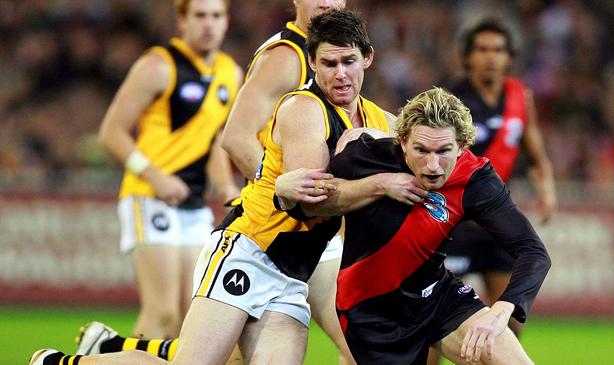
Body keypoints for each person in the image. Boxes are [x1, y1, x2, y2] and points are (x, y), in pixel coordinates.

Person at [29, 9, 423, 365]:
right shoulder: (303, 105)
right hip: (252, 249)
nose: (340, 74)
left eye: (348, 62)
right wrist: (279, 188)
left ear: (367, 59)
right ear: (313, 64)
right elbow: (309, 198)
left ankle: (111, 345)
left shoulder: (380, 121)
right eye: (329, 63)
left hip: (293, 273)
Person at [275, 87, 551, 364]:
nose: (432, 166)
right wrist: (284, 191)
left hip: (438, 297)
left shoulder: (476, 180)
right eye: (421, 150)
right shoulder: (365, 157)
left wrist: (500, 311)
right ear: (403, 142)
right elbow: (310, 205)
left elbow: (533, 251)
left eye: (444, 151)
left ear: (463, 146)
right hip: (373, 314)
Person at [96, 0, 240, 341]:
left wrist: (226, 189)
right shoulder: (158, 66)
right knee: (162, 313)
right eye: (200, 16)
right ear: (182, 21)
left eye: (216, 16)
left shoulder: (230, 73)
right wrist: (155, 177)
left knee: (192, 315)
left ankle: (104, 353)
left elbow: (215, 140)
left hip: (192, 203)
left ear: (226, 22)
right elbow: (111, 132)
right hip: (148, 197)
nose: (209, 24)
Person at [219, 0, 354, 363]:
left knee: (362, 341)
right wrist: (282, 191)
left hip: (310, 229)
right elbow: (236, 136)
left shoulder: (332, 55)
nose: (326, 1)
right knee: (362, 341)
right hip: (280, 227)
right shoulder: (289, 55)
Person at [425, 20, 556, 363]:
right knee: (431, 327)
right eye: (482, 49)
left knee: (509, 324)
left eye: (498, 50)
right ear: (468, 57)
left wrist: (547, 190)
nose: (490, 58)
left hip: (495, 230)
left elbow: (536, 155)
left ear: (509, 57)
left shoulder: (519, 97)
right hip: (454, 227)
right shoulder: (449, 100)